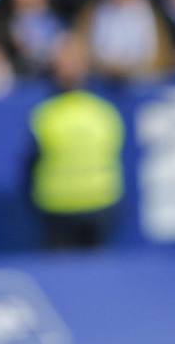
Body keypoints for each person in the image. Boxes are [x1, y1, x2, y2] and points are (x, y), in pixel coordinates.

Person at [25, 33, 125, 248]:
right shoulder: (105, 112)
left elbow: (28, 166)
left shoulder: (46, 114)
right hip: (93, 205)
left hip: (66, 207)